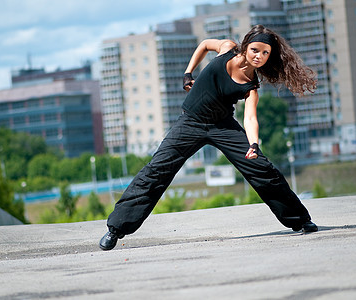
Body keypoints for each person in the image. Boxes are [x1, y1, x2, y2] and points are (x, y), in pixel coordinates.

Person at [99, 24, 318, 251]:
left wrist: (253, 144)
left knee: (263, 169)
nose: (259, 56)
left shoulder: (251, 86)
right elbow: (204, 45)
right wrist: (187, 73)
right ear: (245, 46)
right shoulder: (227, 48)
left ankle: (300, 220)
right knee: (156, 171)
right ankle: (116, 229)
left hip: (222, 127)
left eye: (265, 53)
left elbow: (251, 118)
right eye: (255, 50)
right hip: (190, 122)